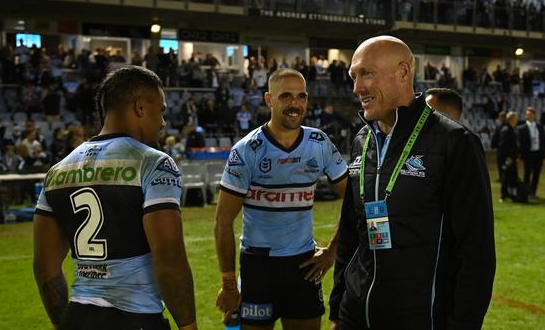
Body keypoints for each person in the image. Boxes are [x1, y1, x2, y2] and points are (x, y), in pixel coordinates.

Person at [330, 36, 495, 329]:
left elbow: (477, 253)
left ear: (403, 72)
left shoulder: (454, 142)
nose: (357, 88)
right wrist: (339, 310)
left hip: (421, 319)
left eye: (367, 73)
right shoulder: (362, 140)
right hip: (355, 316)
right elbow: (349, 234)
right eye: (354, 76)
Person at [33, 66, 197, 330]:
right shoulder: (153, 163)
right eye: (161, 110)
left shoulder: (58, 171)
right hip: (136, 317)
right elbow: (169, 259)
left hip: (77, 317)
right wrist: (189, 326)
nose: (163, 122)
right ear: (141, 107)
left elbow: (45, 268)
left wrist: (65, 323)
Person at [214, 68, 348, 329]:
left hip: (304, 265)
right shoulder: (246, 150)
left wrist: (332, 251)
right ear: (268, 99)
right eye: (286, 96)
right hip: (258, 266)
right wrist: (229, 284)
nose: (295, 104)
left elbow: (355, 199)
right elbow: (222, 221)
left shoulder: (319, 143)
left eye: (301, 96)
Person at [517, 107, 545, 198]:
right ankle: (526, 193)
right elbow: (520, 143)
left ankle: (533, 192)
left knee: (536, 174)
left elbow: (543, 141)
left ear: (534, 115)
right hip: (528, 154)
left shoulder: (539, 126)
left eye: (530, 114)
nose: (528, 116)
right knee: (527, 174)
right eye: (527, 114)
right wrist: (521, 155)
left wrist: (543, 153)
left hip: (538, 153)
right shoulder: (521, 128)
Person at [499, 111, 520, 202]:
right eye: (516, 118)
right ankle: (504, 195)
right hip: (508, 158)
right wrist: (508, 157)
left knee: (513, 177)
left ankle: (512, 194)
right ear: (512, 119)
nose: (517, 120)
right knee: (506, 176)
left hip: (512, 158)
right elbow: (504, 145)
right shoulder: (506, 130)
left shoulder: (512, 129)